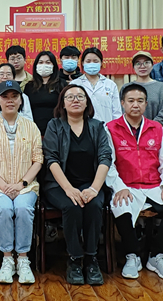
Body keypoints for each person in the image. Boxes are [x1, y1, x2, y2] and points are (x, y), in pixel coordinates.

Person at [106, 83, 163, 281]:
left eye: (140, 101)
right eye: (131, 101)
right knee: (121, 206)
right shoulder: (110, 128)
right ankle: (132, 255)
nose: (135, 105)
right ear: (122, 103)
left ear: (146, 104)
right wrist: (119, 187)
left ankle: (157, 256)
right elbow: (108, 165)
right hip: (126, 185)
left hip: (154, 185)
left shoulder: (157, 128)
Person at [42, 84, 112, 286]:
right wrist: (69, 189)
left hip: (91, 183)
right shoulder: (54, 125)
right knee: (71, 205)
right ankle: (74, 259)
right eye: (70, 97)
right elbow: (51, 159)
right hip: (59, 185)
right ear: (63, 104)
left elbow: (105, 158)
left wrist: (94, 189)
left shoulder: (97, 126)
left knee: (94, 205)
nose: (75, 100)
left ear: (87, 102)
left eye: (80, 96)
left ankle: (91, 259)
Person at [0, 80, 42, 284]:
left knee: (23, 209)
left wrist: (22, 184)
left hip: (26, 186)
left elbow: (38, 160)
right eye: (5, 97)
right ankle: (7, 259)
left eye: (14, 97)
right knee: (4, 209)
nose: (10, 101)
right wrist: (3, 186)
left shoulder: (31, 126)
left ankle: (23, 259)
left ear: (21, 100)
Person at [70, 47, 122, 124]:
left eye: (95, 61)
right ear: (83, 63)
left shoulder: (110, 84)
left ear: (101, 63)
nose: (92, 64)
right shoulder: (75, 84)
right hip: (82, 128)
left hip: (106, 128)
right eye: (88, 61)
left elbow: (117, 112)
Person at [121, 51, 163, 127]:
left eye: (146, 62)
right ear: (133, 67)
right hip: (131, 130)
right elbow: (122, 112)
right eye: (138, 63)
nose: (142, 66)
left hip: (155, 130)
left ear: (152, 65)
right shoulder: (126, 87)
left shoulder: (161, 87)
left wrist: (148, 128)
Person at [25, 51, 66, 135]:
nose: (44, 65)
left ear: (54, 65)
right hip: (33, 131)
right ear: (36, 65)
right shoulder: (29, 86)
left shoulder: (61, 84)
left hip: (57, 130)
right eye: (40, 62)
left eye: (48, 62)